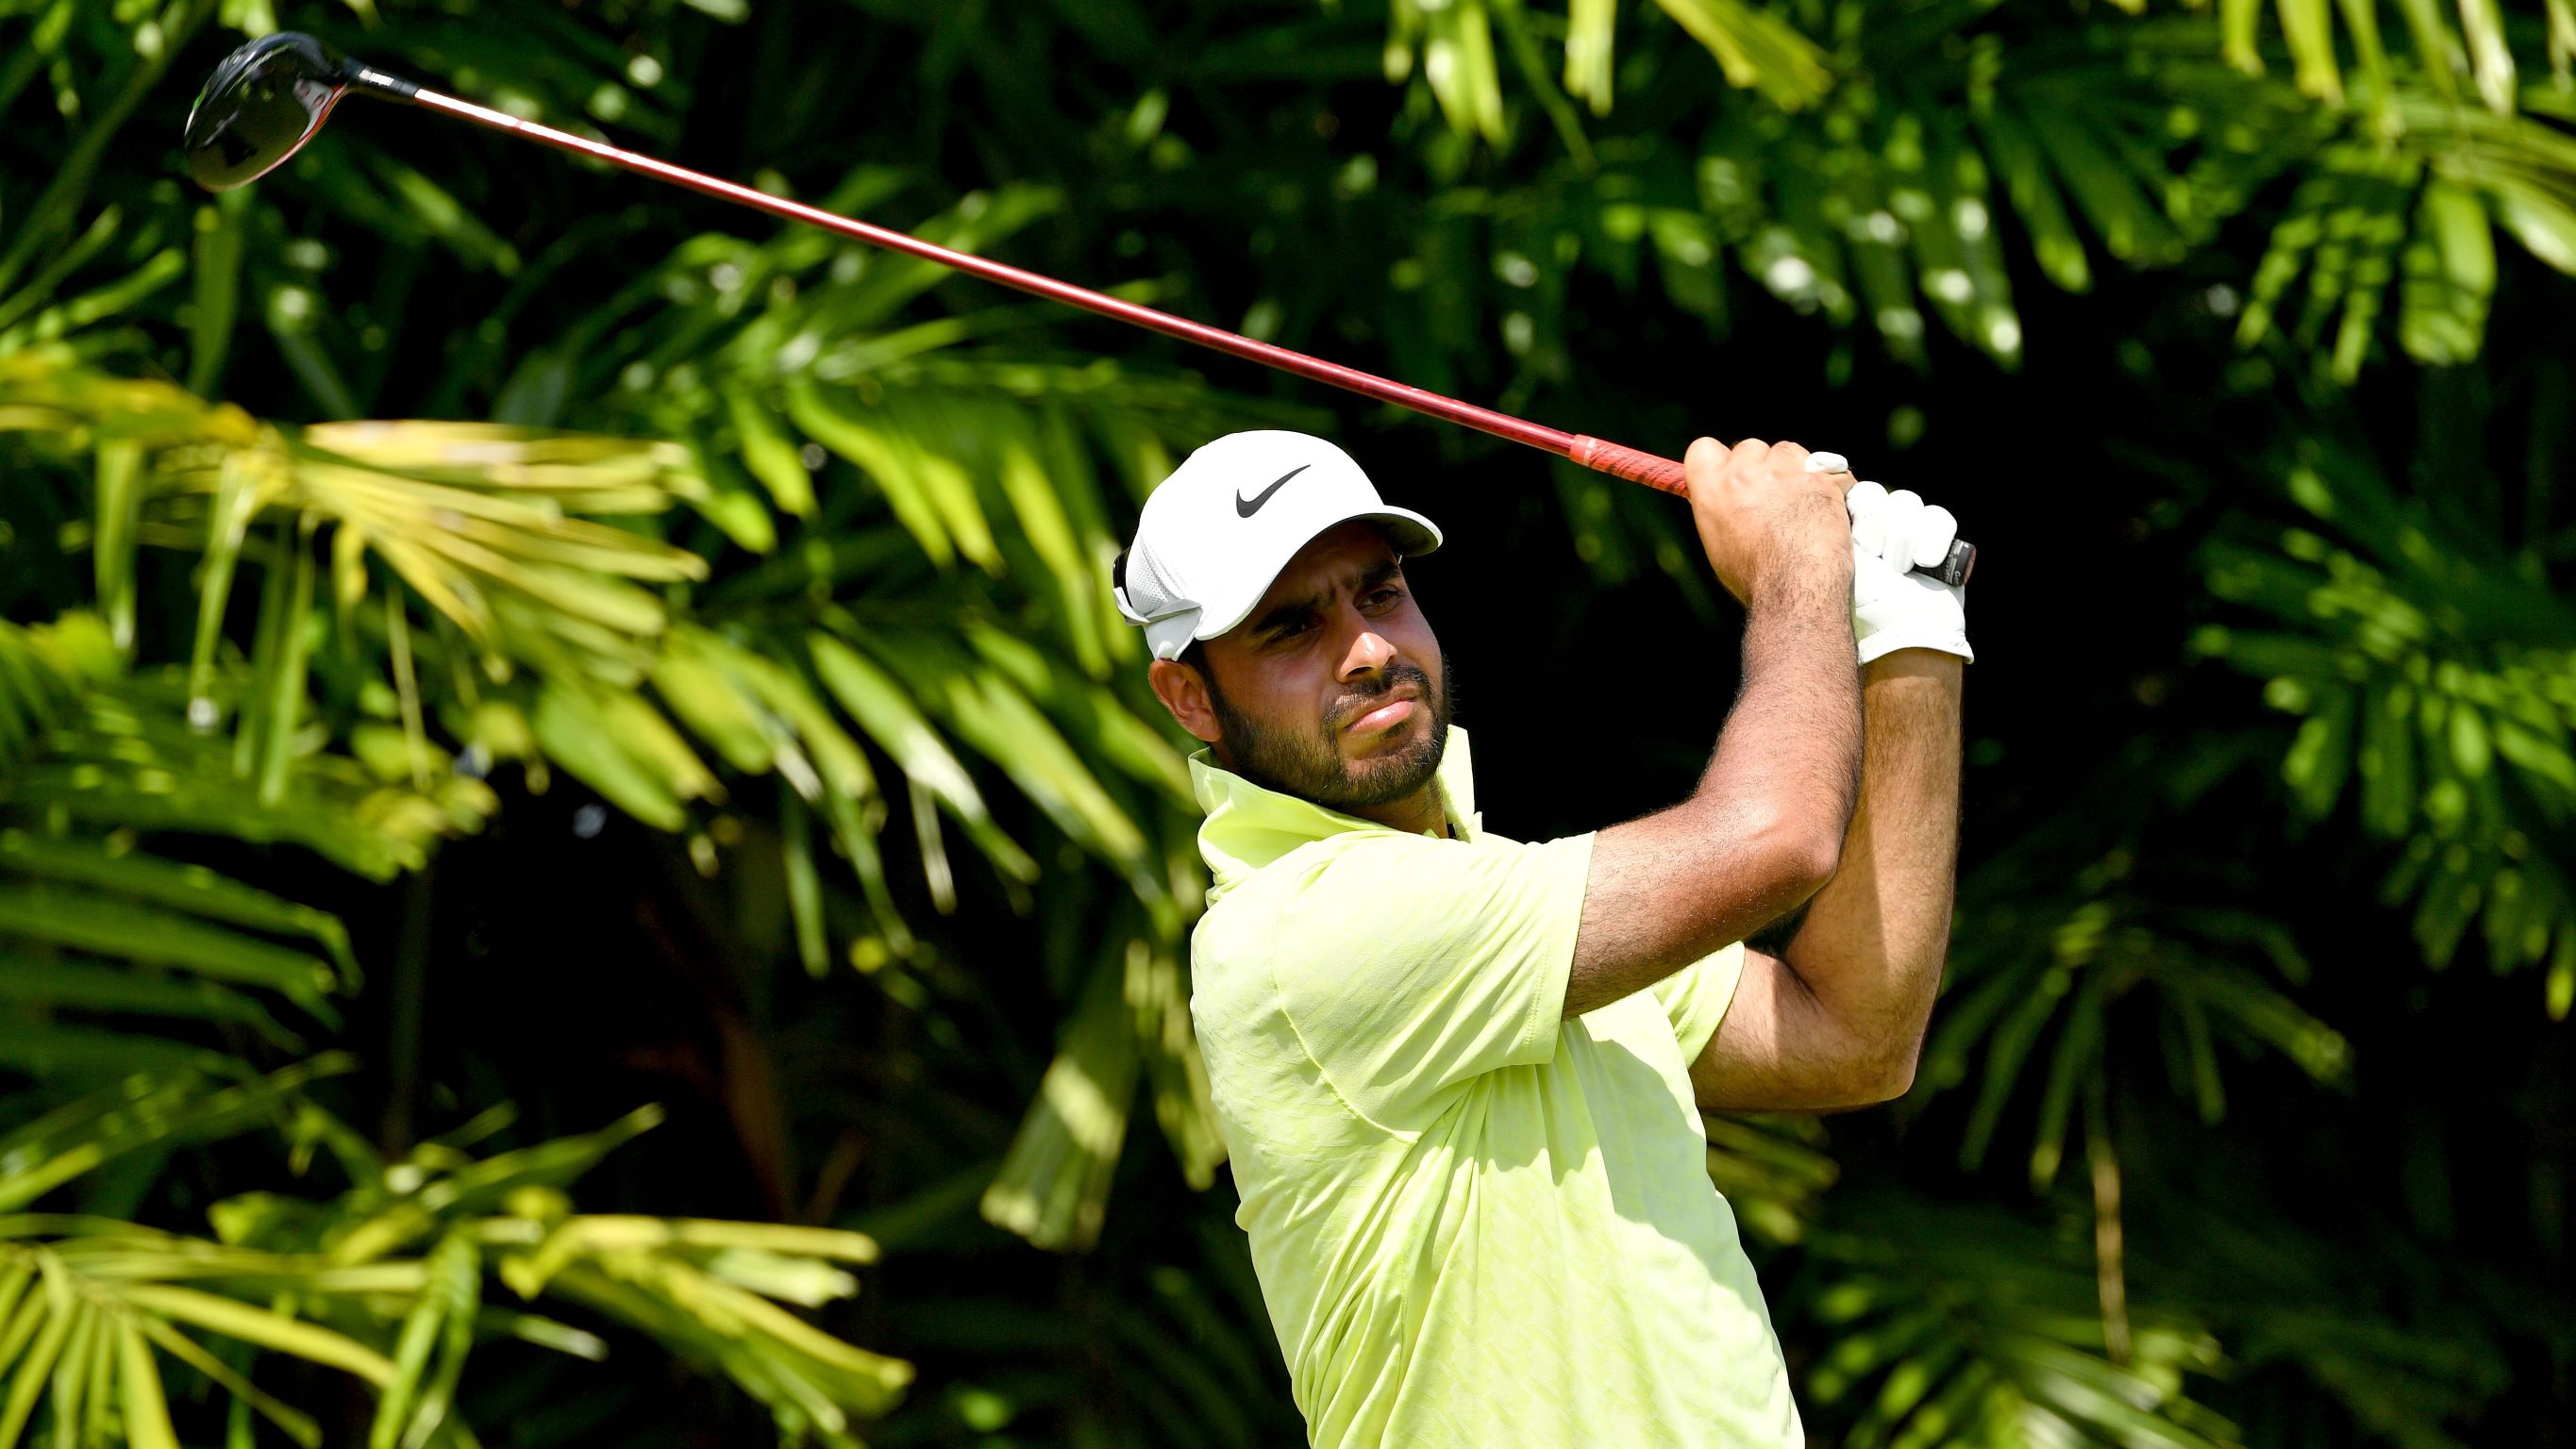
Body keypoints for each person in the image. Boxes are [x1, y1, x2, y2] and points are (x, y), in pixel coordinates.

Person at [1110, 428, 1969, 1447]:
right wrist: (1800, 563)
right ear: (1191, 697)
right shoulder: (1297, 930)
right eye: (1291, 629)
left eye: (1380, 593)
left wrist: (1911, 638)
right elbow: (1777, 837)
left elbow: (1851, 1038)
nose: (1369, 650)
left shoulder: (1508, 903)